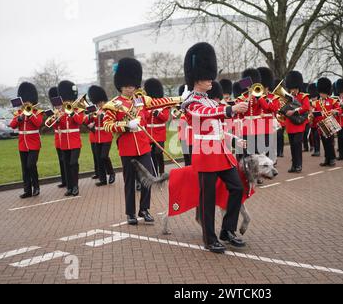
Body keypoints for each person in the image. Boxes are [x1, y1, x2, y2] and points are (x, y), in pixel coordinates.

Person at [182, 42, 249, 254]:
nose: (211, 80)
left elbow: (218, 117)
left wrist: (233, 133)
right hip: (205, 153)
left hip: (220, 152)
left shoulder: (210, 100)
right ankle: (209, 238)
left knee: (237, 188)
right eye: (206, 77)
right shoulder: (190, 102)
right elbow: (204, 114)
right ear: (196, 78)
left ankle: (227, 231)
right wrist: (230, 109)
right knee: (207, 198)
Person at [103, 58, 181, 225]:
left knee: (148, 178)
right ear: (121, 85)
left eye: (132, 85)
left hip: (144, 146)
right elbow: (107, 125)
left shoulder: (141, 101)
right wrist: (126, 125)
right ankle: (130, 213)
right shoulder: (113, 105)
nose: (130, 88)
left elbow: (160, 102)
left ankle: (144, 209)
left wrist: (181, 98)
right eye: (127, 86)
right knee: (130, 182)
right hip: (127, 148)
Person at [10, 82, 43, 199]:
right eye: (24, 101)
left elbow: (38, 123)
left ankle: (36, 187)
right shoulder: (19, 112)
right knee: (25, 168)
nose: (26, 103)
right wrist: (20, 117)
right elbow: (12, 125)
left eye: (27, 102)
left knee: (31, 165)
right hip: (22, 144)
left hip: (34, 144)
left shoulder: (37, 112)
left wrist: (29, 115)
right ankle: (27, 190)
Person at [57, 80, 84, 197]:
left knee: (73, 163)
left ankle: (75, 186)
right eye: (65, 99)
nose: (66, 101)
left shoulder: (78, 109)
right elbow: (54, 126)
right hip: (64, 142)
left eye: (68, 99)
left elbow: (80, 121)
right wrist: (57, 118)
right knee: (66, 165)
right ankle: (69, 187)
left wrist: (72, 112)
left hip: (75, 141)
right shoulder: (61, 111)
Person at [87, 86, 115, 186]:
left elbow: (111, 119)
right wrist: (90, 119)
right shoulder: (95, 109)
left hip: (106, 136)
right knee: (98, 158)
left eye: (100, 102)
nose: (99, 104)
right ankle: (103, 180)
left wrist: (102, 115)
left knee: (104, 156)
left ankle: (111, 173)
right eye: (97, 103)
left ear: (103, 100)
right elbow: (88, 121)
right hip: (96, 137)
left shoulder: (109, 108)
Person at [284, 71, 310, 173]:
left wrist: (294, 111)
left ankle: (299, 165)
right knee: (292, 146)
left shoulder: (303, 96)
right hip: (290, 125)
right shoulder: (287, 97)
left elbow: (306, 107)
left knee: (297, 145)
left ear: (298, 87)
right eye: (291, 88)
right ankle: (294, 165)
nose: (292, 90)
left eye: (294, 88)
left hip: (299, 124)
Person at [144, 78, 170, 176]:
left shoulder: (165, 102)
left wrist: (158, 113)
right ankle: (154, 173)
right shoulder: (147, 103)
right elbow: (143, 116)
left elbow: (165, 118)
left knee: (158, 153)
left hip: (159, 133)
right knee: (151, 154)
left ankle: (162, 172)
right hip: (149, 132)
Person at [314, 78, 339, 167]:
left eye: (323, 93)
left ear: (327, 92)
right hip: (321, 125)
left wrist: (334, 111)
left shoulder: (332, 101)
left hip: (329, 123)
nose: (322, 94)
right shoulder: (316, 103)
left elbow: (338, 109)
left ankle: (332, 159)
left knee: (330, 143)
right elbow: (314, 113)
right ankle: (327, 159)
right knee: (324, 143)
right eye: (321, 93)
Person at [48, 87, 67, 188]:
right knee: (61, 160)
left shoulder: (65, 110)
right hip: (58, 139)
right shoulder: (55, 111)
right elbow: (53, 126)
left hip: (65, 138)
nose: (57, 105)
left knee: (65, 160)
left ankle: (68, 180)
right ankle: (64, 180)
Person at [308, 83, 321, 157]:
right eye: (312, 97)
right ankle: (316, 150)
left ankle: (318, 150)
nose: (313, 98)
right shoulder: (310, 103)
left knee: (316, 136)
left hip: (318, 122)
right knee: (313, 136)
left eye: (315, 97)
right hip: (312, 123)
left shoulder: (319, 102)